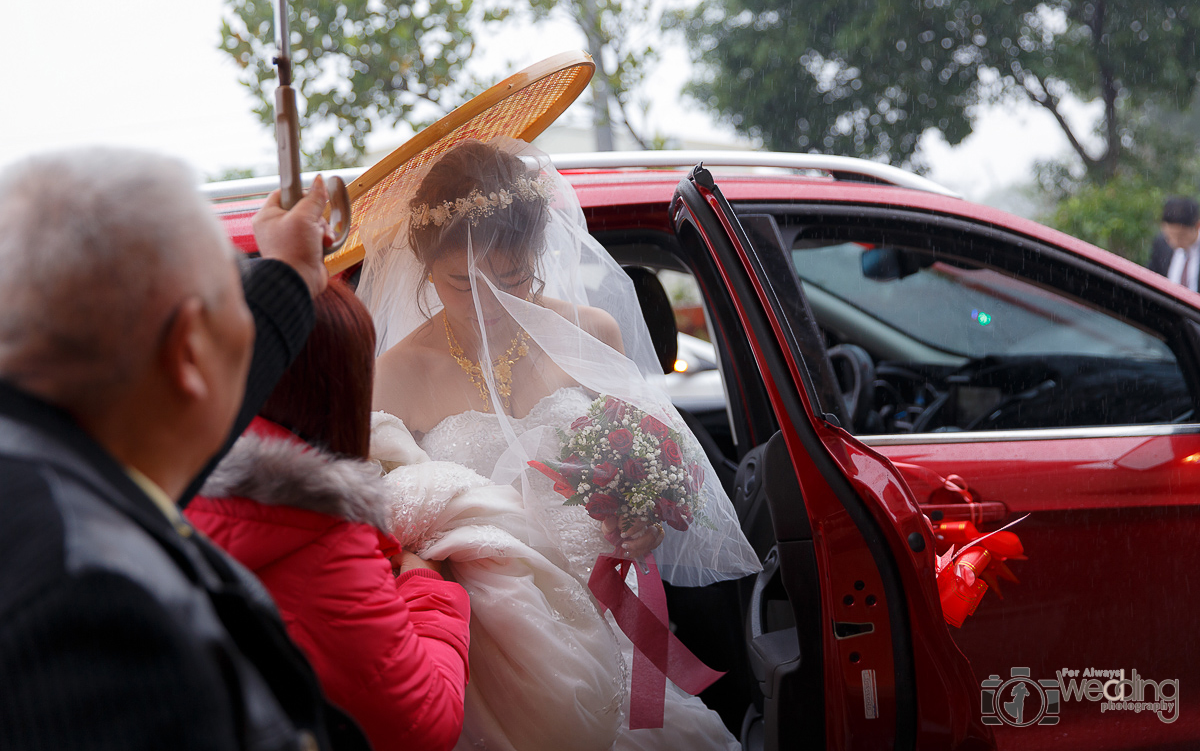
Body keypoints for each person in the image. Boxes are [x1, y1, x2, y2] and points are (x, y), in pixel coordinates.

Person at [357, 138, 761, 750]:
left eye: (512, 276)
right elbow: (382, 533)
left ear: (538, 254)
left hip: (610, 613)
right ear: (423, 263)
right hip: (493, 644)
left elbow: (636, 466)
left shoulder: (590, 333)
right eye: (463, 283)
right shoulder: (393, 374)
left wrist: (643, 521)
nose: (490, 303)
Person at [0, 148, 370, 750]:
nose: (248, 323)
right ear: (189, 350)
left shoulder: (54, 467)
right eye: (238, 291)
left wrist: (294, 274)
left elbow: (178, 411)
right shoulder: (95, 613)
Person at [185, 279, 471, 751]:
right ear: (344, 388)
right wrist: (427, 590)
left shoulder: (164, 478)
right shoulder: (326, 548)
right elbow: (426, 725)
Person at [1147, 195, 1200, 290]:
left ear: (1197, 226)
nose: (1175, 243)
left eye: (1181, 236)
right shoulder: (1161, 245)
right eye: (1169, 237)